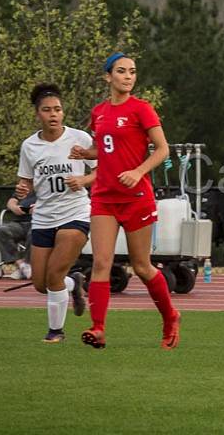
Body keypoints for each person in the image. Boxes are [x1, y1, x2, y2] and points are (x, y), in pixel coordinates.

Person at [71, 53, 180, 349]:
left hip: (136, 198)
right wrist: (87, 153)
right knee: (101, 263)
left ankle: (170, 317)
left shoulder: (141, 109)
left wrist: (138, 171)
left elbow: (162, 150)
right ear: (108, 77)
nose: (128, 76)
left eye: (132, 71)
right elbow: (105, 148)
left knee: (142, 266)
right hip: (104, 197)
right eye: (121, 71)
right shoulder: (99, 112)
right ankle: (98, 328)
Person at [16, 84, 95, 343]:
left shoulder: (79, 138)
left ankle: (56, 331)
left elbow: (102, 170)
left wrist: (83, 181)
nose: (53, 114)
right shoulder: (29, 145)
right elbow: (25, 181)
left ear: (63, 112)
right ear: (38, 113)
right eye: (47, 110)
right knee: (41, 284)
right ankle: (74, 283)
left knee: (53, 277)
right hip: (43, 217)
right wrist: (22, 188)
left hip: (75, 213)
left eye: (58, 109)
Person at [0, 190, 37, 279]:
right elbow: (11, 201)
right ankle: (20, 264)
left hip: (38, 222)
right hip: (19, 223)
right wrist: (14, 207)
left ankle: (27, 263)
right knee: (2, 231)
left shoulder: (46, 187)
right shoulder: (24, 186)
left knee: (35, 232)